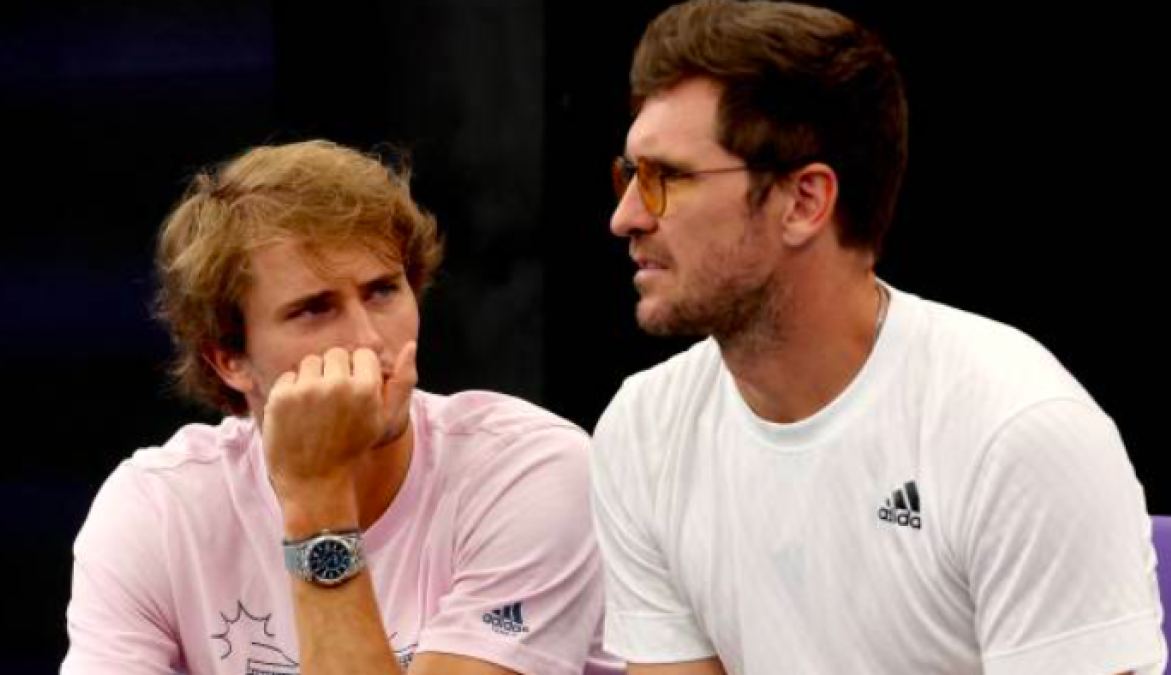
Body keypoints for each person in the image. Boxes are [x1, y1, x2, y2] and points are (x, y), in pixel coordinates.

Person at [591, 1, 1165, 673]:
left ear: (805, 201)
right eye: (631, 175)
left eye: (667, 178)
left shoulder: (1021, 432)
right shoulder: (643, 426)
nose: (625, 216)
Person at [63, 139, 620, 675]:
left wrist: (316, 496)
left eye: (382, 291)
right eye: (314, 309)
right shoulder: (159, 509)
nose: (369, 340)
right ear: (229, 359)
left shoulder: (529, 470)